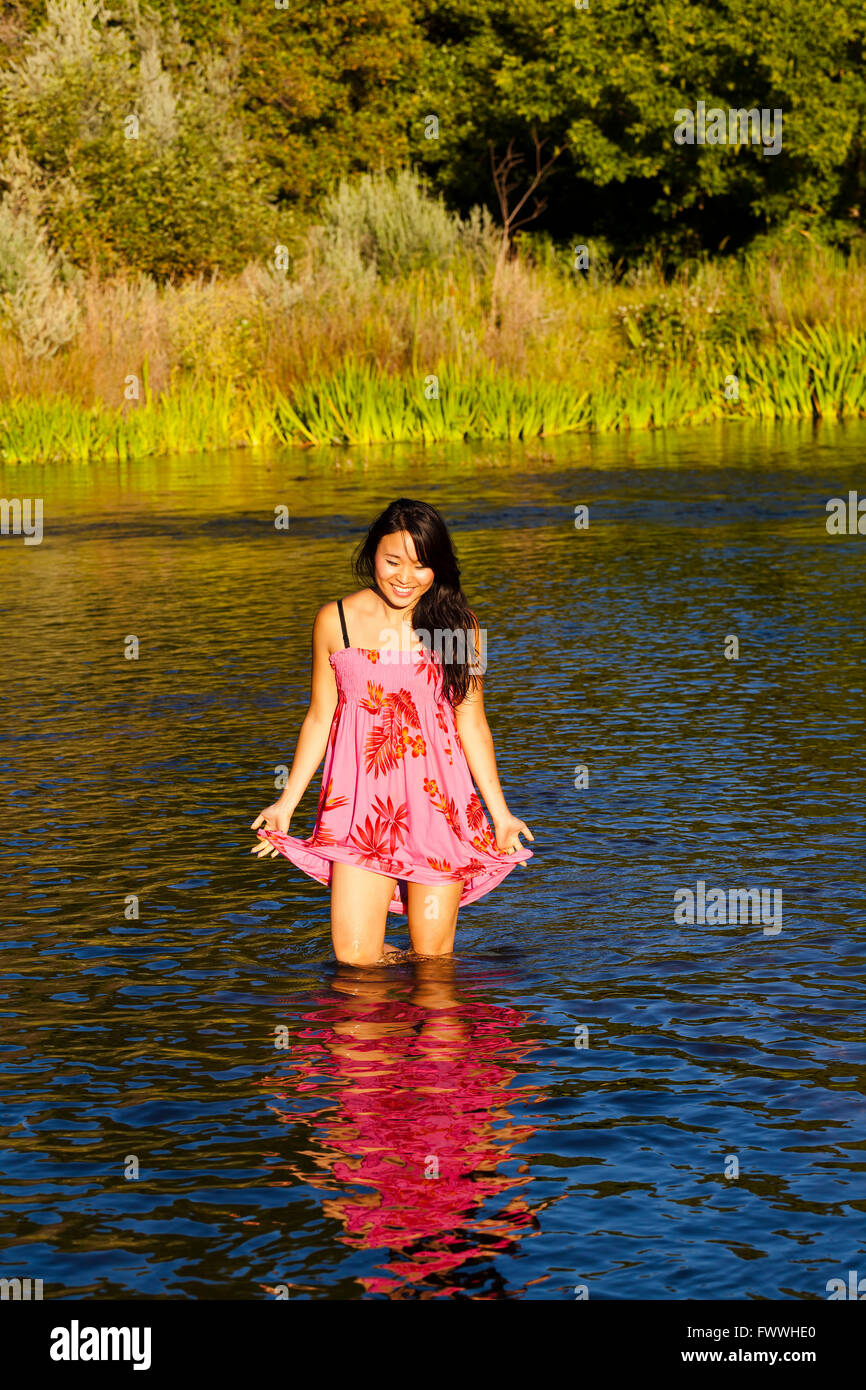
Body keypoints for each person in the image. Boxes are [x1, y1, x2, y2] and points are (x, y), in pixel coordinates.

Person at [251, 498, 534, 965]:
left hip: (437, 811)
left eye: (422, 565)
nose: (405, 577)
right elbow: (320, 717)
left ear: (438, 567)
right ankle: (393, 1023)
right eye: (393, 561)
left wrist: (500, 815)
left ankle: (430, 1020)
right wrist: (286, 803)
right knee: (355, 959)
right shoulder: (335, 621)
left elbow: (472, 722)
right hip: (361, 812)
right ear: (371, 556)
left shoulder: (458, 628)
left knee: (431, 961)